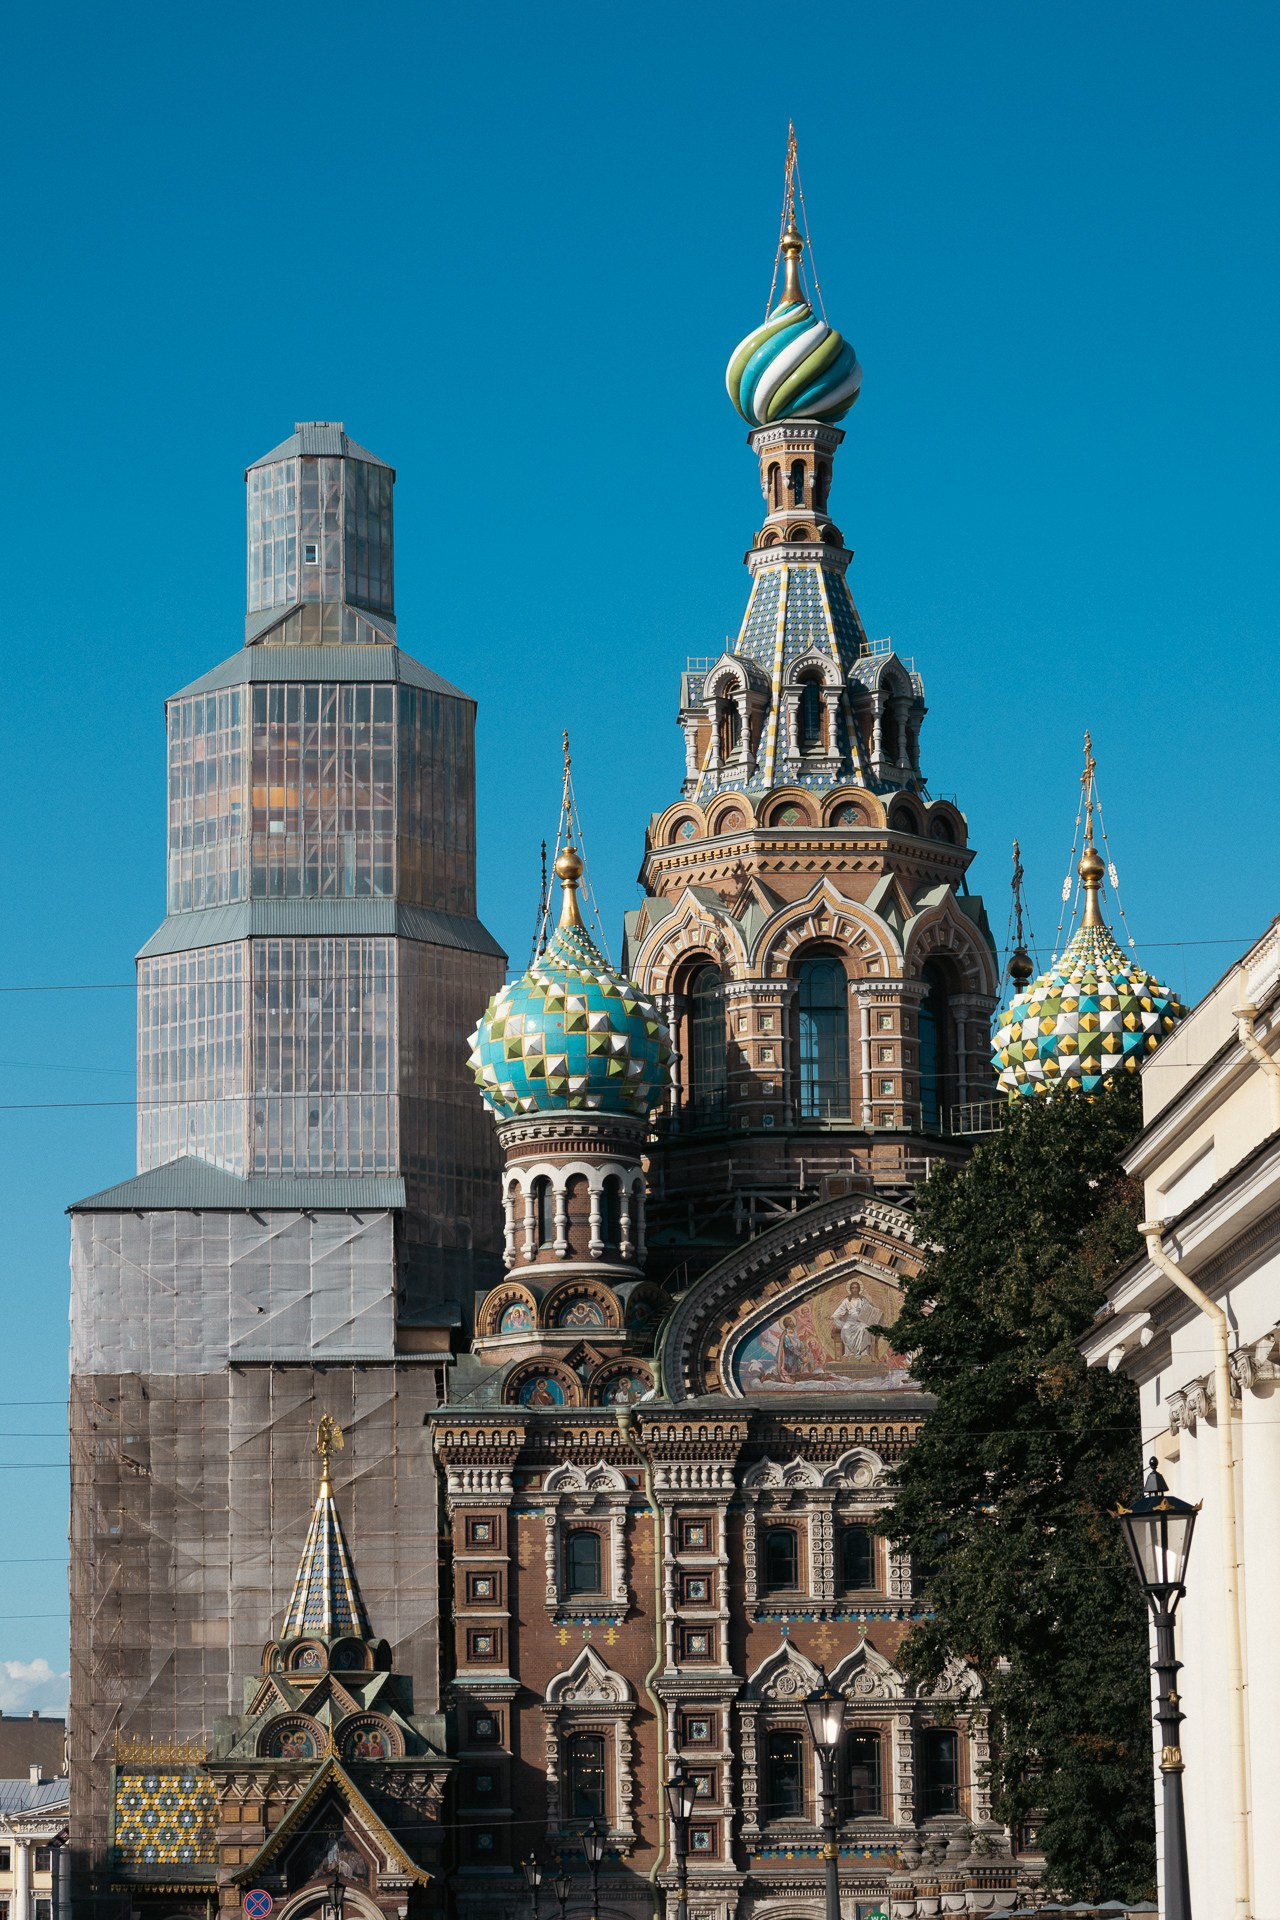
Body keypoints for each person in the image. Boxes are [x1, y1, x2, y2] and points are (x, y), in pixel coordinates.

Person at [831, 1279, 877, 1360]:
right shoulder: (847, 1300)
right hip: (850, 1321)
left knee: (865, 1329)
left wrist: (863, 1311)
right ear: (850, 1289)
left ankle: (863, 1352)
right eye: (853, 1288)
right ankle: (849, 1352)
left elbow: (869, 1309)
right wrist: (834, 1315)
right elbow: (840, 1309)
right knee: (845, 1329)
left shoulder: (863, 1299)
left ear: (859, 1289)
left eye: (856, 1288)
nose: (855, 1289)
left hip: (861, 1321)